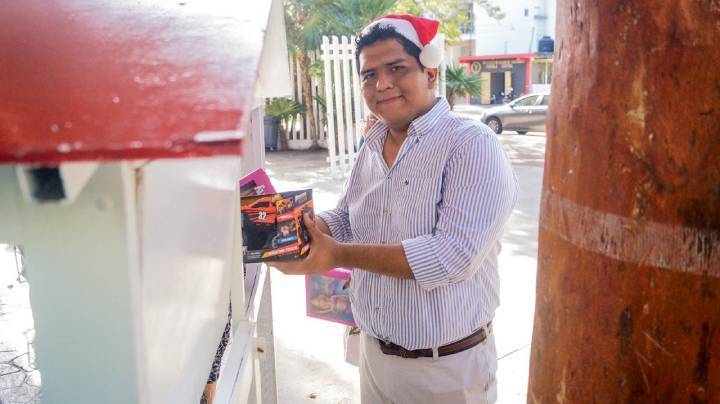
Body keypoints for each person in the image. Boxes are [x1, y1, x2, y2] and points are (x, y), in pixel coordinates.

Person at [270, 14, 518, 404]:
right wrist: (301, 231)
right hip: (374, 356)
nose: (381, 84)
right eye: (369, 75)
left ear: (430, 72)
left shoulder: (471, 144)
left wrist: (336, 254)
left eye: (396, 68)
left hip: (446, 371)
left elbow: (451, 257)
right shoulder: (374, 141)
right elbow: (350, 218)